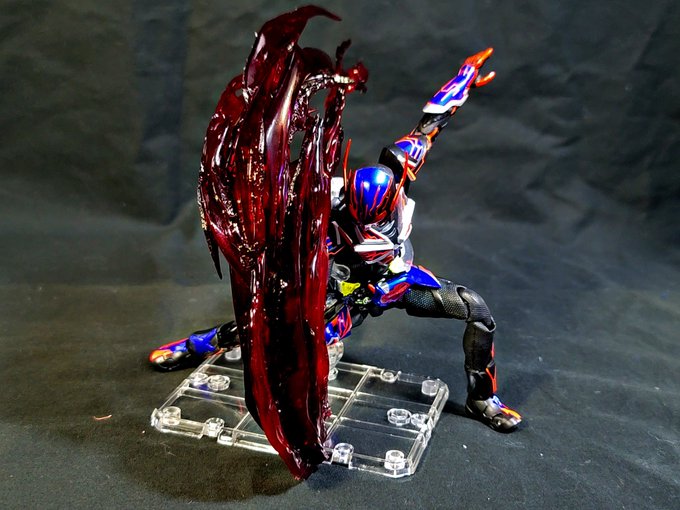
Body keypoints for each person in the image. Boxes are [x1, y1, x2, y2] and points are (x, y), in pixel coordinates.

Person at [150, 48, 522, 431]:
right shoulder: (322, 208)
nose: (372, 226)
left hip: (393, 281)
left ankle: (482, 398)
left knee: (475, 309)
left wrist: (464, 77)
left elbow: (431, 123)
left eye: (379, 217)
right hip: (340, 291)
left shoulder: (398, 169)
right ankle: (196, 346)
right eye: (364, 219)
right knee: (276, 333)